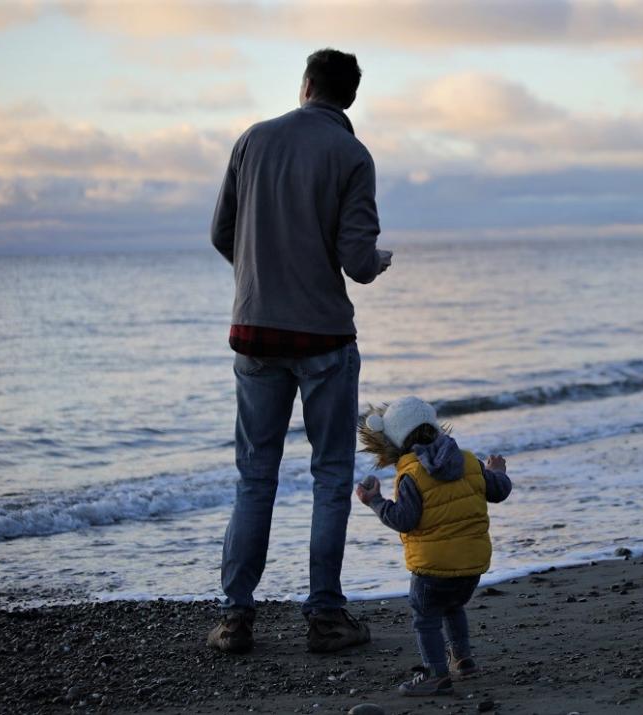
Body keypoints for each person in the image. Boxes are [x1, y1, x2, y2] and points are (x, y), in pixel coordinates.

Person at [207, 48, 393, 655]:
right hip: (323, 338)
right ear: (349, 99)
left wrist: (263, 274)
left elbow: (221, 234)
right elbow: (358, 263)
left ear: (306, 85)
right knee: (331, 474)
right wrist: (379, 261)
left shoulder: (252, 140)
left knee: (255, 475)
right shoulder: (352, 154)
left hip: (255, 331)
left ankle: (236, 618)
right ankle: (325, 617)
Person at [354, 397, 512, 696]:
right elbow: (499, 491)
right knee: (453, 606)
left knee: (426, 618)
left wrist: (374, 500)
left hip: (432, 567)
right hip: (473, 563)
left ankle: (436, 675)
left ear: (396, 438)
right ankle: (463, 660)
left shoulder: (411, 474)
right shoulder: (468, 460)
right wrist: (499, 470)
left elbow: (404, 520)